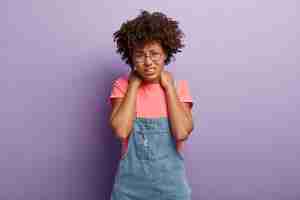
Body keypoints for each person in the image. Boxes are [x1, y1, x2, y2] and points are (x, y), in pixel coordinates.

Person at [108, 10, 194, 200]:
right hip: (129, 190)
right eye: (140, 55)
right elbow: (121, 130)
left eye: (154, 54)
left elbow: (182, 132)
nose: (148, 62)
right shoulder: (122, 86)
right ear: (131, 57)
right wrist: (134, 85)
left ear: (165, 54)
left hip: (172, 190)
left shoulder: (179, 88)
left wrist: (169, 88)